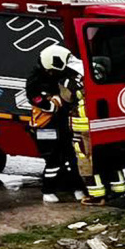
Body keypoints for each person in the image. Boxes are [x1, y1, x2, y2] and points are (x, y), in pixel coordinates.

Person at [26, 45, 85, 204]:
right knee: (53, 160)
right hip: (47, 126)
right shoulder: (36, 79)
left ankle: (77, 188)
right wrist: (53, 104)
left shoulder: (63, 71)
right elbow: (35, 98)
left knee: (71, 158)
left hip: (62, 123)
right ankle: (48, 191)